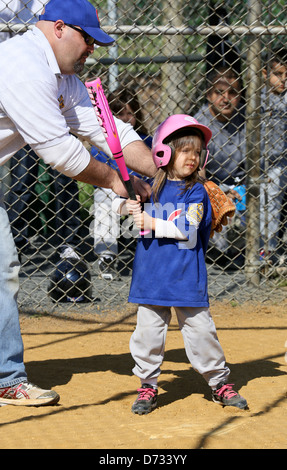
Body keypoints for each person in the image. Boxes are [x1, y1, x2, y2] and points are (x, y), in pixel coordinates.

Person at [0, 0, 156, 407]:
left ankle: (4, 377)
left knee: (1, 270)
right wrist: (116, 182)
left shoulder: (62, 76)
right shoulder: (22, 64)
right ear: (59, 28)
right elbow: (59, 153)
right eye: (87, 39)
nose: (92, 49)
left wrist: (164, 166)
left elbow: (110, 130)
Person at [115, 114, 248, 414]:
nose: (192, 156)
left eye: (197, 151)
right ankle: (147, 384)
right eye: (184, 149)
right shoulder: (149, 187)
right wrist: (126, 204)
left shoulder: (197, 191)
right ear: (163, 151)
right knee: (147, 336)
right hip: (151, 279)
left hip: (187, 278)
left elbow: (186, 229)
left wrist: (150, 220)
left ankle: (218, 383)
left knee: (202, 334)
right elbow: (117, 203)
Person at [92, 86, 152, 280]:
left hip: (141, 195)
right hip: (115, 195)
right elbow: (99, 176)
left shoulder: (146, 141)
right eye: (119, 114)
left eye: (130, 113)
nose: (126, 119)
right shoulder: (101, 142)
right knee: (104, 194)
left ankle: (154, 256)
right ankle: (106, 256)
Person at [194, 66, 246, 267]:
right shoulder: (200, 123)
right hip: (213, 182)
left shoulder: (246, 117)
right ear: (208, 95)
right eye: (220, 92)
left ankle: (256, 253)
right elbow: (199, 173)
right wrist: (219, 191)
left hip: (240, 182)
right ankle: (220, 252)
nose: (226, 98)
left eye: (232, 92)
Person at [259, 48, 287, 266]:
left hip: (281, 160)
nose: (283, 80)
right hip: (259, 160)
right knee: (266, 199)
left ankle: (268, 250)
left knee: (273, 193)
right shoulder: (257, 99)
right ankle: (264, 250)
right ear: (264, 73)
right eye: (278, 74)